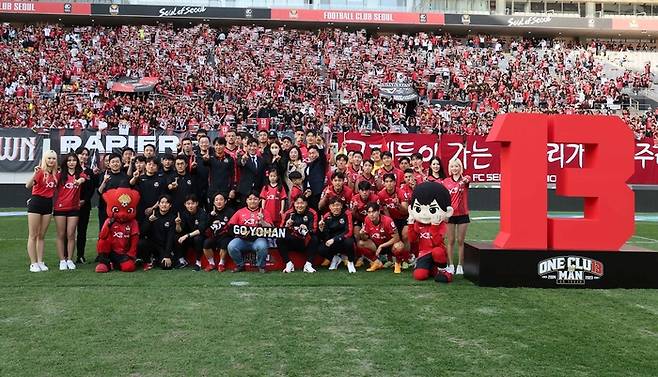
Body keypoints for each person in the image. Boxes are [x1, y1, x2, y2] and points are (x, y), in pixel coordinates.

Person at [26, 150, 58, 272]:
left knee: (41, 235)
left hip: (48, 204)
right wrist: (35, 174)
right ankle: (33, 263)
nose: (51, 161)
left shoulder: (56, 174)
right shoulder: (39, 172)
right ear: (45, 159)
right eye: (49, 158)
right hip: (36, 203)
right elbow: (28, 186)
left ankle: (40, 261)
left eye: (53, 159)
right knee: (33, 235)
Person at [53, 152, 87, 271]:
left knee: (71, 234)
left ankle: (70, 259)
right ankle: (62, 260)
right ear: (65, 162)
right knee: (61, 235)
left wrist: (79, 181)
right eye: (69, 160)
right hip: (60, 209)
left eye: (73, 160)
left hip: (74, 209)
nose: (71, 162)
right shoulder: (59, 174)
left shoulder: (79, 173)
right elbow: (50, 186)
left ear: (77, 162)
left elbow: (83, 178)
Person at [227, 191, 273, 273]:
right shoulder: (240, 212)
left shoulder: (264, 212)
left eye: (255, 199)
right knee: (231, 246)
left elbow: (271, 229)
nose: (252, 201)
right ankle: (240, 265)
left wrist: (262, 221)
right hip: (242, 239)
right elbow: (230, 226)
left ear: (259, 201)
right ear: (246, 200)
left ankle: (261, 266)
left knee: (262, 246)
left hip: (258, 239)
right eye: (250, 199)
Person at [357, 202, 406, 273]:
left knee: (399, 246)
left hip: (389, 245)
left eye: (374, 212)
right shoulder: (367, 219)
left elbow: (397, 238)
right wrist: (362, 234)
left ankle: (398, 263)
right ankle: (376, 262)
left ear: (379, 211)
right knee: (360, 243)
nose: (371, 214)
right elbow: (365, 238)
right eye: (369, 212)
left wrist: (382, 246)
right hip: (375, 244)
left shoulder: (388, 220)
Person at [442, 158, 471, 275]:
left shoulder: (465, 179)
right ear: (450, 168)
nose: (455, 168)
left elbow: (468, 179)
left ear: (460, 167)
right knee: (451, 240)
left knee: (460, 241)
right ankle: (450, 265)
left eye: (457, 166)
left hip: (463, 214)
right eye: (453, 166)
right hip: (450, 215)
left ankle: (460, 265)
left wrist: (465, 180)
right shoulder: (446, 181)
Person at [279, 195, 319, 273]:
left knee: (314, 238)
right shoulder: (288, 213)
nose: (299, 206)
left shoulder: (312, 213)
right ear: (294, 204)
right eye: (297, 203)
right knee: (280, 239)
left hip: (304, 242)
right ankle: (288, 263)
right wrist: (286, 226)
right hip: (292, 241)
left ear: (306, 203)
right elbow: (280, 230)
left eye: (302, 203)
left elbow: (314, 230)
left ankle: (308, 264)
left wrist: (306, 229)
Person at [138, 195, 177, 270]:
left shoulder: (172, 218)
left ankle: (156, 259)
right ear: (158, 204)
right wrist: (149, 221)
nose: (164, 205)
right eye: (162, 202)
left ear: (170, 205)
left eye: (167, 203)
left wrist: (167, 255)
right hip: (152, 244)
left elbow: (170, 238)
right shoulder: (152, 215)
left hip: (163, 246)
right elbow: (141, 233)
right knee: (141, 243)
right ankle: (148, 261)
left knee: (166, 266)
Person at [318, 197, 356, 273]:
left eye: (338, 205)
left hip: (344, 240)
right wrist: (321, 229)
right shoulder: (326, 216)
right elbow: (325, 236)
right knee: (321, 249)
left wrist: (334, 239)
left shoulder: (347, 214)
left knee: (349, 242)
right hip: (333, 242)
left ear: (341, 206)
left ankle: (350, 262)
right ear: (329, 207)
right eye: (333, 205)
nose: (335, 207)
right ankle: (334, 258)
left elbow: (349, 231)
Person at [203, 192, 235, 272]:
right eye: (216, 200)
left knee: (225, 242)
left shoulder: (230, 212)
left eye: (221, 199)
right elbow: (205, 227)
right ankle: (211, 263)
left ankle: (221, 263)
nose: (219, 202)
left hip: (226, 236)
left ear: (225, 201)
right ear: (213, 202)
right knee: (206, 243)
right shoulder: (211, 213)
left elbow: (233, 226)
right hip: (214, 236)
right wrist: (211, 217)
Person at [174, 194, 208, 271]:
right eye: (188, 204)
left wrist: (186, 236)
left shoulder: (202, 213)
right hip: (189, 237)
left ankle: (198, 262)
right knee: (176, 236)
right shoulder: (184, 213)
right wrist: (177, 224)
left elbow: (200, 230)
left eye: (192, 203)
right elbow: (179, 230)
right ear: (185, 205)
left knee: (197, 239)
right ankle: (182, 260)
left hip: (200, 236)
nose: (190, 206)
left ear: (197, 203)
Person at [75, 146, 97, 264]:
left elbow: (91, 188)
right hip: (71, 206)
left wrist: (84, 200)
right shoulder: (72, 169)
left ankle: (80, 255)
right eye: (82, 154)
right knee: (69, 232)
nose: (84, 156)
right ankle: (66, 256)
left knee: (82, 231)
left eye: (86, 154)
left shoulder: (89, 171)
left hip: (85, 205)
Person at [97, 153, 130, 230]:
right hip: (105, 209)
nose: (115, 164)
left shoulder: (126, 177)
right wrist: (104, 182)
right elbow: (99, 192)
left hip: (122, 210)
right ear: (109, 164)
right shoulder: (104, 175)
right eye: (113, 162)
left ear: (121, 163)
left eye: (117, 162)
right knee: (105, 232)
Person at [204, 137, 236, 209]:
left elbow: (233, 175)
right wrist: (205, 160)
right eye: (216, 145)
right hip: (212, 190)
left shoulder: (230, 159)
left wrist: (233, 189)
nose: (218, 147)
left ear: (224, 146)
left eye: (220, 145)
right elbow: (205, 163)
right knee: (211, 211)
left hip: (225, 190)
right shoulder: (210, 158)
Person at [237, 138, 267, 204]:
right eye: (250, 146)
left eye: (254, 146)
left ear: (257, 147)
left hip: (258, 190)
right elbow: (240, 163)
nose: (252, 148)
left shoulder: (262, 160)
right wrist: (243, 160)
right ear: (247, 147)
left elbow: (264, 176)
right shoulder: (243, 157)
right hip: (245, 191)